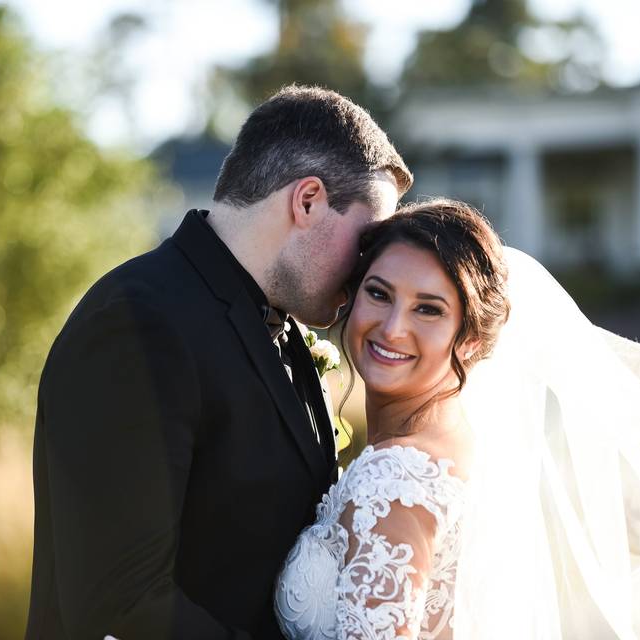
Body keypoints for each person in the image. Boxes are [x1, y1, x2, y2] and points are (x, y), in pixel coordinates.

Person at [24, 85, 412, 640]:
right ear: (307, 201)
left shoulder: (286, 325)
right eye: (366, 239)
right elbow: (123, 604)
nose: (368, 268)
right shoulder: (135, 321)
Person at [275, 199, 640, 639]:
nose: (393, 327)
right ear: (352, 298)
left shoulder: (396, 476)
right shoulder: (467, 441)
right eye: (379, 294)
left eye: (429, 309)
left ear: (469, 339)